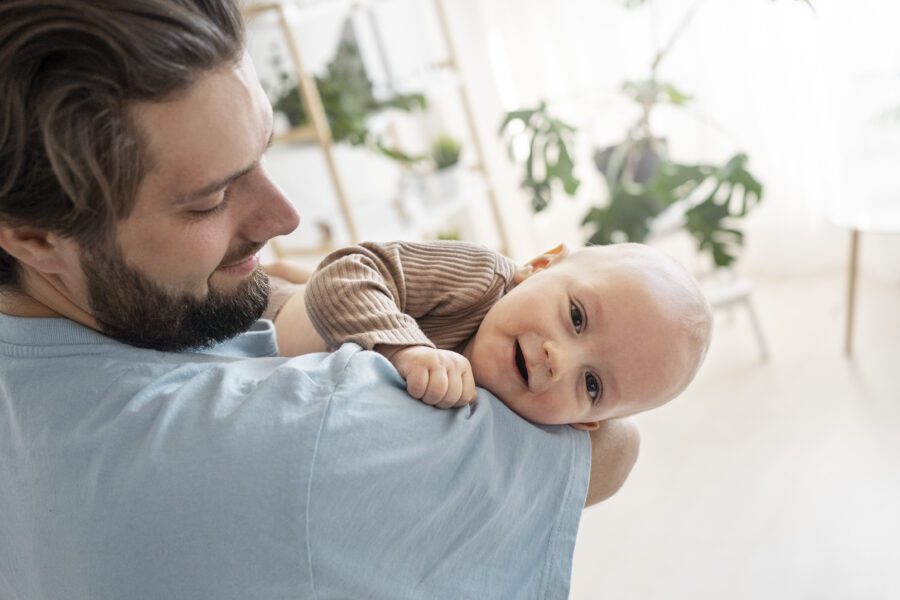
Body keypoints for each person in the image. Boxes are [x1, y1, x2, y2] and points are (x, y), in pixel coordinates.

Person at [0, 1, 639, 598]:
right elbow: (607, 453)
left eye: (264, 152)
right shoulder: (311, 431)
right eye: (209, 201)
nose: (285, 217)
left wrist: (286, 299)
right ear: (35, 238)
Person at [290, 240, 711, 430]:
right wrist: (405, 348)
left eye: (592, 384)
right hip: (273, 318)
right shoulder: (480, 278)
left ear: (585, 422)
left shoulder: (525, 432)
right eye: (577, 317)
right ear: (539, 266)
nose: (559, 360)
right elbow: (347, 270)